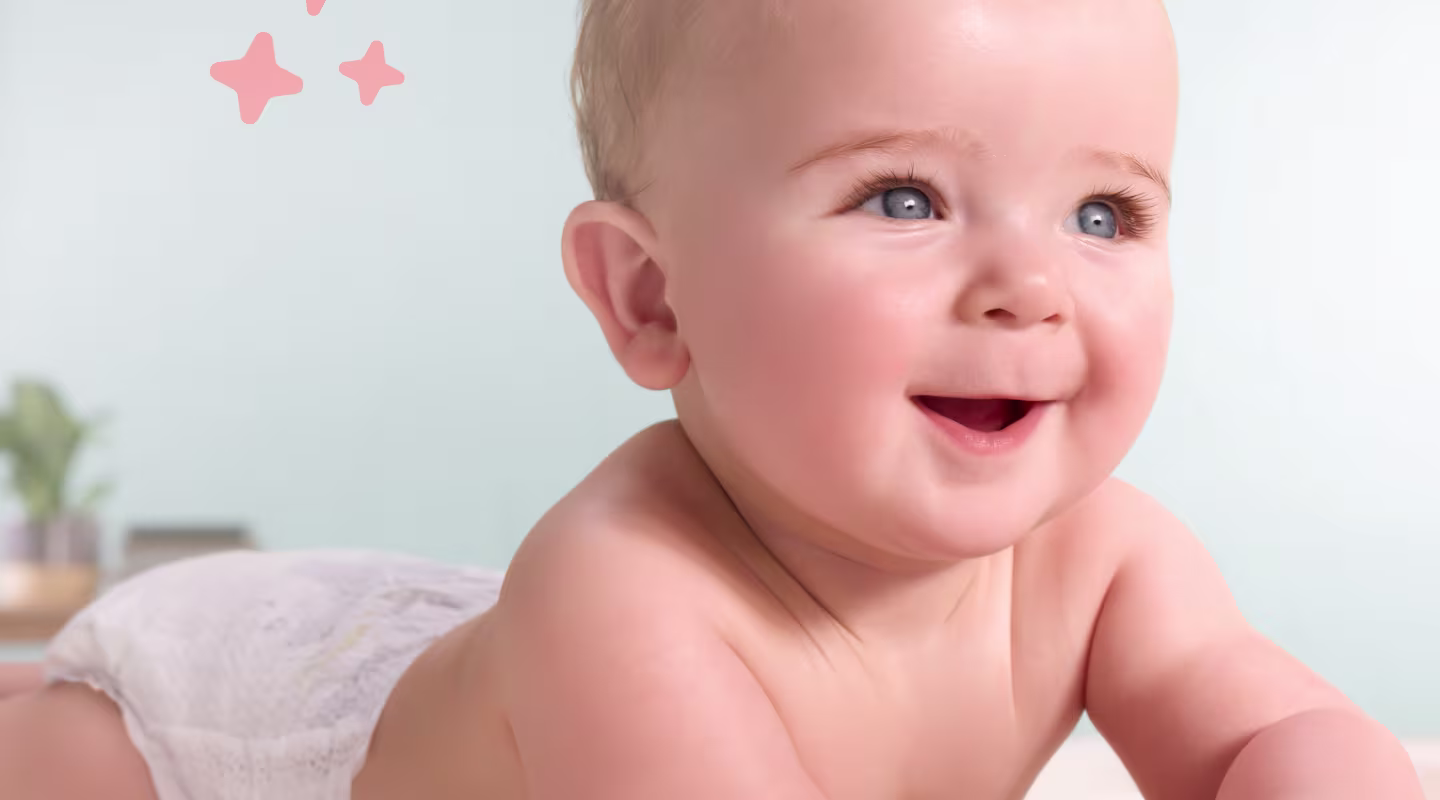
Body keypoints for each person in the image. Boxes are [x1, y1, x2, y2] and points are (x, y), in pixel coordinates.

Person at [0, 0, 1426, 798]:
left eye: (1106, 213)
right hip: (241, 732)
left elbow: (1255, 732)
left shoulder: (1111, 559)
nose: (1030, 285)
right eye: (906, 195)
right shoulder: (624, 595)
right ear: (651, 300)